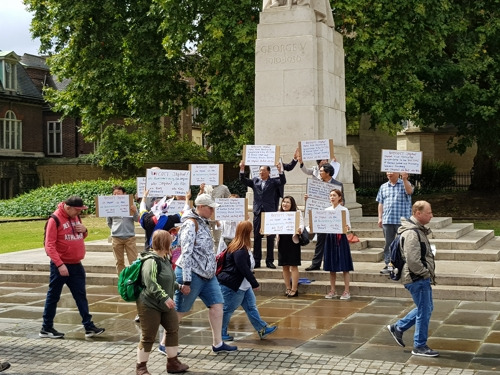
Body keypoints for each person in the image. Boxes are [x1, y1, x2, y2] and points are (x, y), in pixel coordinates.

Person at [174, 194, 238, 353]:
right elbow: (187, 252)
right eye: (210, 208)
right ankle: (165, 342)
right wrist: (186, 281)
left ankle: (218, 343)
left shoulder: (203, 222)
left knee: (217, 306)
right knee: (180, 310)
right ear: (201, 207)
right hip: (192, 274)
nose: (212, 211)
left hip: (208, 275)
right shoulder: (190, 224)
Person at [40, 196, 105, 339]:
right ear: (68, 208)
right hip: (61, 265)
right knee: (53, 296)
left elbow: (80, 236)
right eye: (77, 210)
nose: (79, 213)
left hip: (76, 264)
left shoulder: (76, 217)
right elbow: (49, 245)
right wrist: (60, 264)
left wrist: (85, 230)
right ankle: (46, 327)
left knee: (81, 295)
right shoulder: (54, 220)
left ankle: (89, 327)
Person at [386, 201, 438, 357]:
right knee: (424, 310)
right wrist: (425, 273)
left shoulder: (416, 231)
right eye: (428, 212)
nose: (431, 215)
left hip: (417, 277)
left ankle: (398, 327)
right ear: (417, 213)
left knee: (426, 308)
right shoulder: (411, 233)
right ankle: (419, 346)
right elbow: (413, 261)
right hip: (416, 278)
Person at [135, 230, 189, 375]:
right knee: (148, 336)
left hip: (165, 304)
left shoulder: (165, 259)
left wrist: (179, 287)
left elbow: (167, 280)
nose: (173, 241)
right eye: (170, 240)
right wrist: (164, 297)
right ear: (164, 243)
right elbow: (150, 282)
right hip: (149, 304)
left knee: (172, 329)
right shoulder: (151, 261)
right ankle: (141, 368)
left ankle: (173, 363)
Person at [217, 221, 278, 340]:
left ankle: (262, 329)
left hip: (243, 285)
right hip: (234, 285)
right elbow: (243, 268)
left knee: (251, 307)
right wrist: (254, 283)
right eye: (250, 230)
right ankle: (220, 333)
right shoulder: (239, 249)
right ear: (246, 232)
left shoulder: (241, 246)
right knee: (227, 310)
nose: (252, 232)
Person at [239, 160, 286, 269]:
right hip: (258, 212)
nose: (261, 173)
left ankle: (269, 261)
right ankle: (257, 260)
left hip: (269, 213)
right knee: (257, 237)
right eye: (260, 171)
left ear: (268, 172)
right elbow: (243, 180)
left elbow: (282, 181)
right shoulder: (255, 181)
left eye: (263, 171)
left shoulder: (273, 182)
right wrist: (242, 168)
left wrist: (280, 171)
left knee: (270, 237)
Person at [305, 163, 344, 271]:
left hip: (333, 218)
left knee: (334, 242)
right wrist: (308, 199)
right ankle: (315, 264)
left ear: (328, 173)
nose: (319, 173)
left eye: (321, 171)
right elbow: (313, 200)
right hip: (321, 218)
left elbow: (342, 200)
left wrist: (340, 204)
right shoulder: (316, 184)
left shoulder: (338, 185)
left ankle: (335, 263)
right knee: (320, 241)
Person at [376, 172, 414, 274]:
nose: (389, 173)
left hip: (402, 221)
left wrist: (405, 179)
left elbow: (410, 191)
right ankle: (389, 265)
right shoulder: (383, 187)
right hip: (387, 220)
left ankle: (404, 265)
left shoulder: (405, 184)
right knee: (388, 244)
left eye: (392, 171)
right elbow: (380, 203)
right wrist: (380, 217)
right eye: (387, 171)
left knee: (403, 243)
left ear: (398, 173)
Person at [323, 189, 353, 300]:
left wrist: (345, 227)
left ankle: (346, 290)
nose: (332, 197)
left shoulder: (344, 210)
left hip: (341, 237)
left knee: (345, 265)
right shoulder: (326, 210)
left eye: (334, 195)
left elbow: (348, 226)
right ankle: (332, 290)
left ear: (339, 197)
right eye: (330, 195)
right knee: (331, 266)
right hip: (330, 238)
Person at [107, 185, 139, 275]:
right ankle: (121, 280)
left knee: (134, 260)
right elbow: (109, 222)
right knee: (119, 261)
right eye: (114, 194)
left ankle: (134, 280)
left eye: (118, 193)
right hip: (116, 238)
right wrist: (115, 229)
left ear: (124, 194)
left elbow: (137, 219)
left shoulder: (131, 203)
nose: (116, 196)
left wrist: (135, 211)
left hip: (130, 237)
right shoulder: (110, 205)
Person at [277, 196, 303, 297]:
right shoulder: (278, 214)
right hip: (282, 241)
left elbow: (301, 224)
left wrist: (300, 229)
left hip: (293, 241)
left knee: (293, 266)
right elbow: (273, 225)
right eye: (284, 202)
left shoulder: (297, 213)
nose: (285, 204)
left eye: (288, 202)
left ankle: (294, 289)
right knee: (284, 266)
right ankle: (287, 287)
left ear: (292, 204)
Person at [198, 182, 231, 247]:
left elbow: (230, 201)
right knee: (205, 238)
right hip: (206, 217)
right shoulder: (205, 186)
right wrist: (201, 190)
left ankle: (217, 256)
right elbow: (198, 201)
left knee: (218, 240)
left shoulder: (224, 188)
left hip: (218, 218)